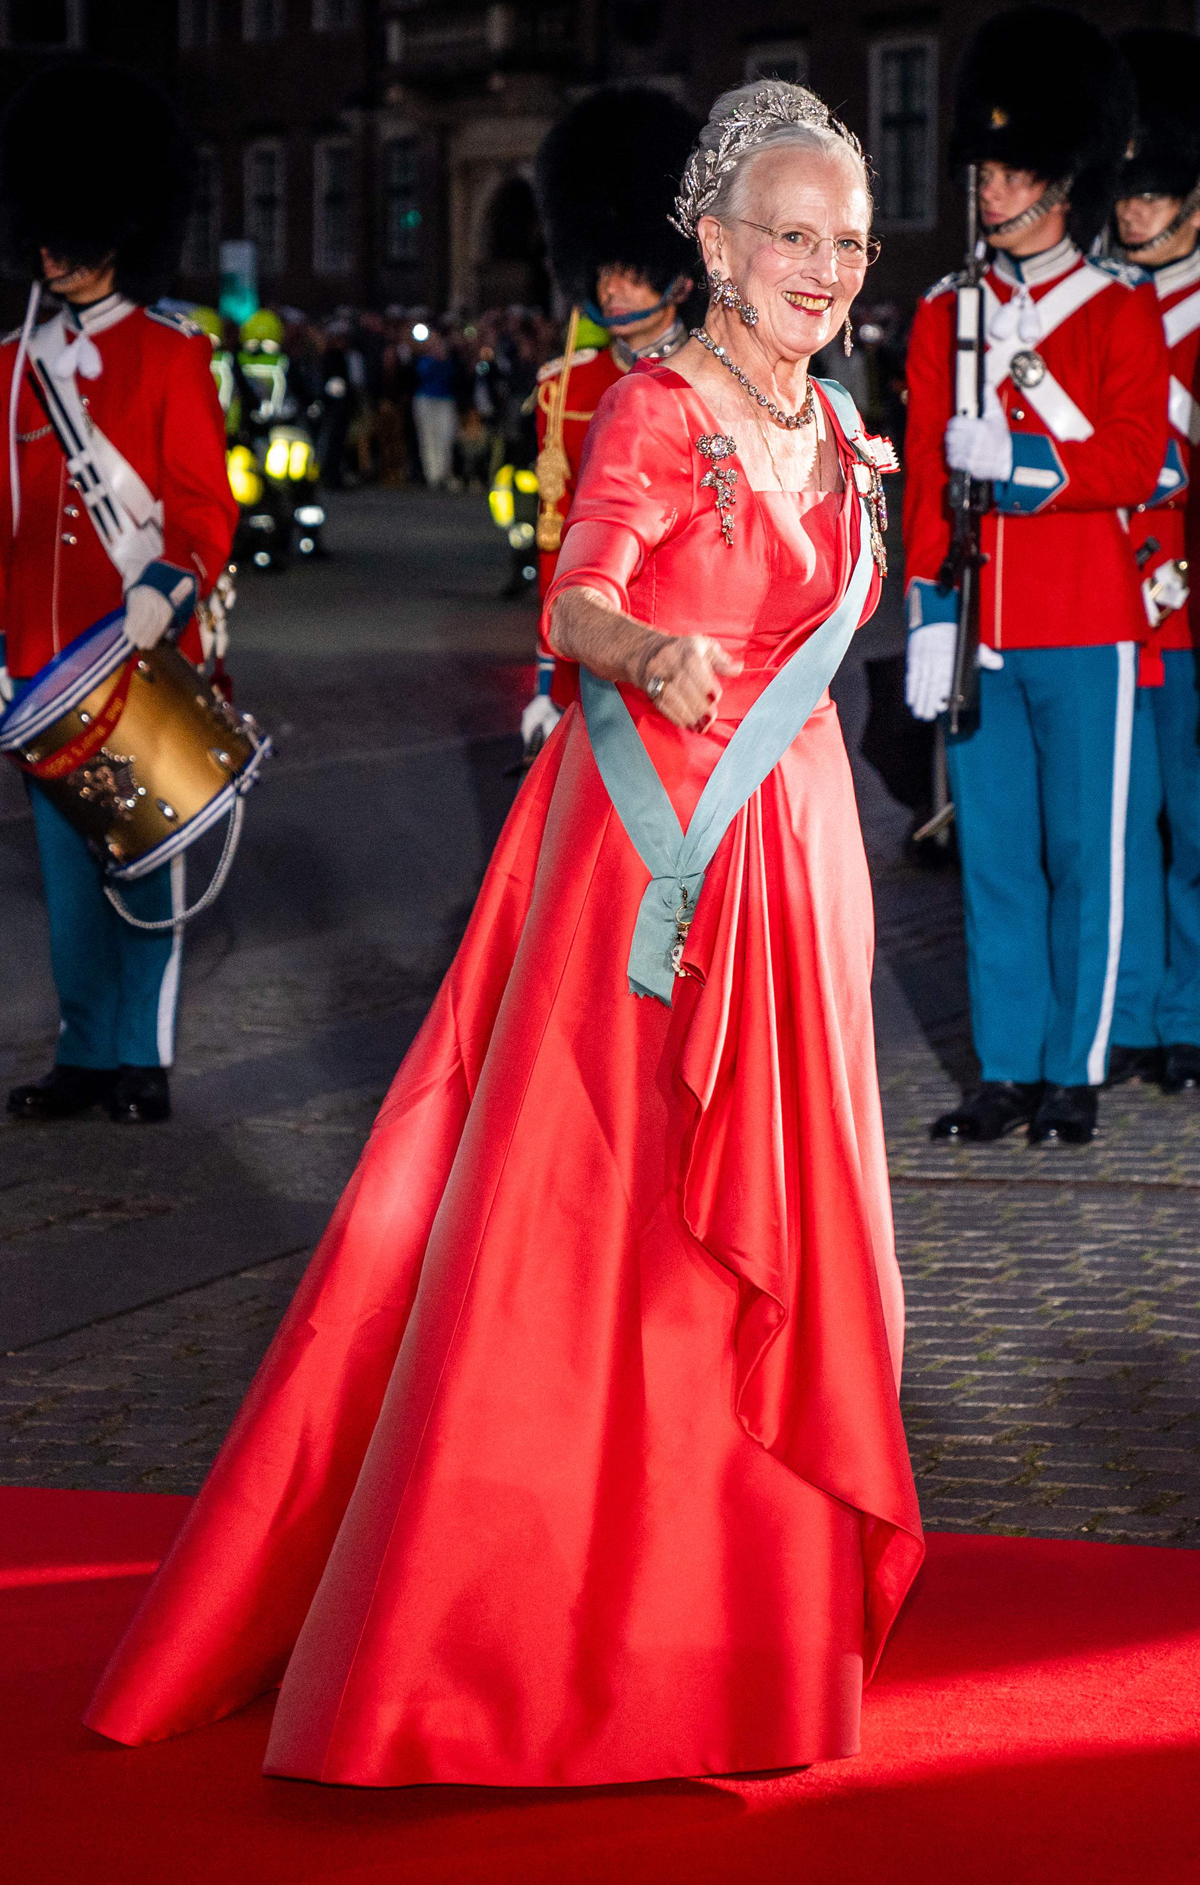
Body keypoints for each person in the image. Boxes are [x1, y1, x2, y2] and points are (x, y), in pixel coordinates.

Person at [84, 79, 922, 1788]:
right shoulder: (651, 412)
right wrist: (641, 656)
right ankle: (540, 1625)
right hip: (649, 859)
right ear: (713, 243)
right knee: (617, 1234)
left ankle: (738, 1625)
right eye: (790, 236)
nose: (823, 269)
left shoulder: (842, 432)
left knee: (782, 1221)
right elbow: (575, 595)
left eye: (846, 240)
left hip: (801, 852)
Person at [904, 9, 1169, 1146]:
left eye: (1010, 170)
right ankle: (1006, 1065)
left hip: (1086, 620)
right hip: (980, 630)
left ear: (1060, 181)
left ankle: (1078, 1067)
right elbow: (923, 481)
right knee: (995, 857)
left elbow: (1135, 458)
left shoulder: (1120, 311)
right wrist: (926, 609)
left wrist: (1017, 458)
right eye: (986, 168)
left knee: (1086, 853)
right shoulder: (943, 316)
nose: (990, 188)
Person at [1, 61, 237, 1126]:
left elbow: (200, 505)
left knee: (145, 865)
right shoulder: (10, 362)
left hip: (135, 651)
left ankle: (142, 1055)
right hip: (40, 663)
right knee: (65, 882)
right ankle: (84, 1053)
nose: (57, 249)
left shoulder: (170, 353)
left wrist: (167, 585)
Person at [521, 86, 699, 755]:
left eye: (628, 271)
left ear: (676, 277)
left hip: (689, 644)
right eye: (601, 271)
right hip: (599, 649)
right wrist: (549, 677)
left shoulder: (716, 377)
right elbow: (555, 544)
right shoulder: (563, 389)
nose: (608, 289)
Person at [1108, 31, 1200, 1096]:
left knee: (1188, 822)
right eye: (1126, 190)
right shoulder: (1099, 301)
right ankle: (1129, 1010)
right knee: (1120, 825)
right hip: (1108, 595)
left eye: (1155, 190)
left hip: (1182, 594)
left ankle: (1187, 1009)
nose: (1134, 210)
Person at [411, 326, 459, 488]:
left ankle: (445, 473)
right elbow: (420, 374)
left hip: (445, 400)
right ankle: (433, 475)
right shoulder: (423, 358)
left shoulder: (449, 359)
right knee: (429, 437)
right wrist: (433, 358)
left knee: (446, 436)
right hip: (425, 399)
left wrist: (444, 359)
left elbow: (454, 376)